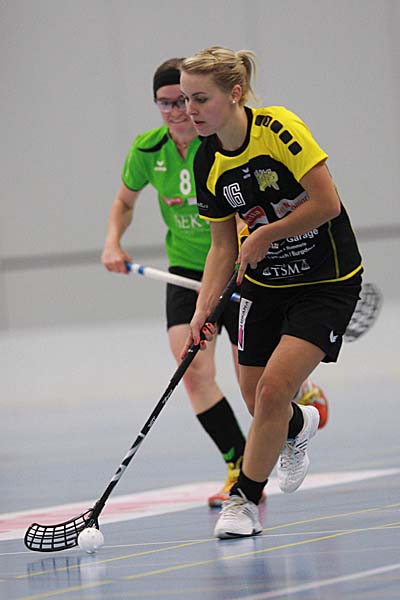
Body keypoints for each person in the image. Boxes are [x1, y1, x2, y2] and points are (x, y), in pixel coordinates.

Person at [101, 57, 328, 509]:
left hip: (242, 266)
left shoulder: (223, 144)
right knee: (193, 371)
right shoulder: (147, 150)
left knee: (255, 384)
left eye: (185, 100)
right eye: (166, 103)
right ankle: (238, 462)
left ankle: (295, 396)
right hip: (189, 269)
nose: (177, 111)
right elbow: (124, 202)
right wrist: (113, 242)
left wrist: (257, 234)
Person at [180, 46, 362, 538]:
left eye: (200, 98)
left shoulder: (279, 129)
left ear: (235, 93)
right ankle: (298, 425)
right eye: (185, 99)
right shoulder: (207, 159)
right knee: (258, 400)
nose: (190, 110)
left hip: (326, 281)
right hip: (263, 287)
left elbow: (326, 203)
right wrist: (203, 311)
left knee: (272, 390)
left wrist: (265, 234)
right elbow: (222, 246)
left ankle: (244, 502)